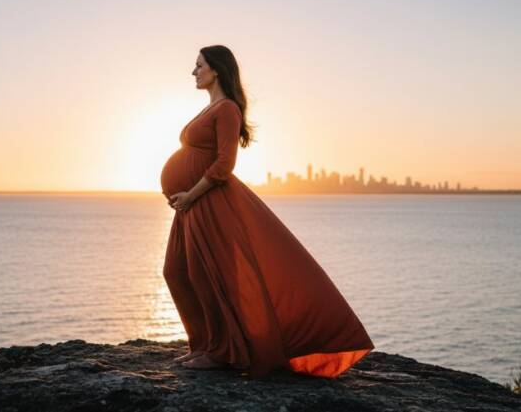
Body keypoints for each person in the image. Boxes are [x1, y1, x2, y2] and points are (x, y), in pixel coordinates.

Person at [160, 45, 374, 379]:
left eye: (199, 65)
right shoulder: (209, 109)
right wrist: (183, 196)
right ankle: (202, 345)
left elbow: (224, 164)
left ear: (216, 69)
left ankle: (220, 352)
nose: (194, 71)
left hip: (207, 200)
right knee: (176, 271)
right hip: (189, 205)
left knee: (206, 275)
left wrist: (191, 193)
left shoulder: (227, 109)